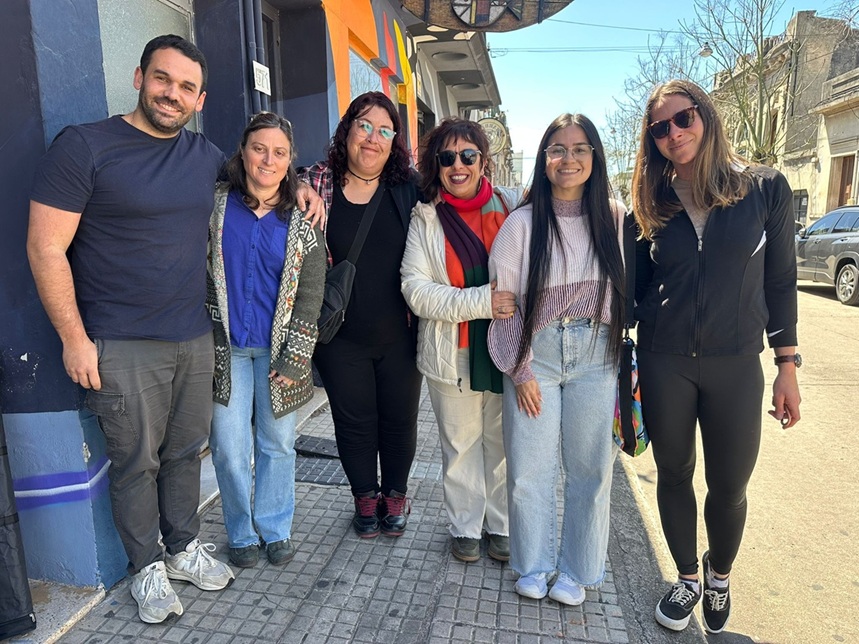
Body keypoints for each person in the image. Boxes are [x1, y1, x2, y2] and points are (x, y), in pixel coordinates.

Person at [26, 35, 322, 624]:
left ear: (200, 99)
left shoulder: (204, 158)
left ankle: (183, 547)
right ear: (139, 77)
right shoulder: (85, 146)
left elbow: (260, 177)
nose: (172, 94)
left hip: (195, 338)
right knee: (136, 461)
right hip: (120, 341)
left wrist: (301, 185)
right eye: (163, 79)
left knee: (186, 453)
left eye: (187, 87)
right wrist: (74, 339)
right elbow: (45, 248)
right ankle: (146, 567)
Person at [631, 79, 801, 634]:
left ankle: (718, 574)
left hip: (735, 362)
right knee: (674, 472)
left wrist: (787, 366)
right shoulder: (651, 200)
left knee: (730, 486)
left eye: (683, 118)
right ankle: (686, 577)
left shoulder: (764, 188)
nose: (674, 134)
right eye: (660, 128)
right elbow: (634, 288)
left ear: (705, 115)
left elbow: (780, 280)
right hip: (665, 360)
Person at [488, 114, 626, 605]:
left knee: (591, 470)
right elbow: (505, 304)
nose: (569, 159)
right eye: (558, 149)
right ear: (544, 159)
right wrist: (520, 368)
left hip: (596, 354)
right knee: (529, 469)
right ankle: (534, 564)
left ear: (595, 157)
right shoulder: (521, 224)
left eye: (580, 148)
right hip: (538, 355)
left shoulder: (614, 217)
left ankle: (577, 570)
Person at [207, 112, 326, 569]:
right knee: (228, 447)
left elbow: (311, 293)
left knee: (277, 444)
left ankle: (275, 528)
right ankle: (240, 532)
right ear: (243, 152)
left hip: (279, 355)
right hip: (227, 350)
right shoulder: (216, 207)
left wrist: (297, 356)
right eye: (259, 149)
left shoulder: (303, 218)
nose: (268, 160)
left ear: (290, 159)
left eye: (279, 152)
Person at [401, 117, 522, 562]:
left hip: (507, 349)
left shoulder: (513, 206)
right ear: (437, 165)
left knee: (503, 442)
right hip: (452, 352)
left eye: (468, 155)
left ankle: (501, 523)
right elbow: (416, 290)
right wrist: (482, 302)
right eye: (447, 157)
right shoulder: (426, 218)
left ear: (483, 160)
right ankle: (466, 527)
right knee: (460, 445)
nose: (458, 165)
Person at [302, 92, 422, 538]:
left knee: (399, 421)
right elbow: (269, 182)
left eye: (384, 130)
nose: (373, 138)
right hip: (339, 337)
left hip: (400, 336)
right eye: (365, 126)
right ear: (347, 130)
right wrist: (295, 187)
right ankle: (365, 501)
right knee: (354, 424)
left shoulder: (409, 188)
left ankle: (395, 497)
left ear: (394, 141)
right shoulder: (318, 183)